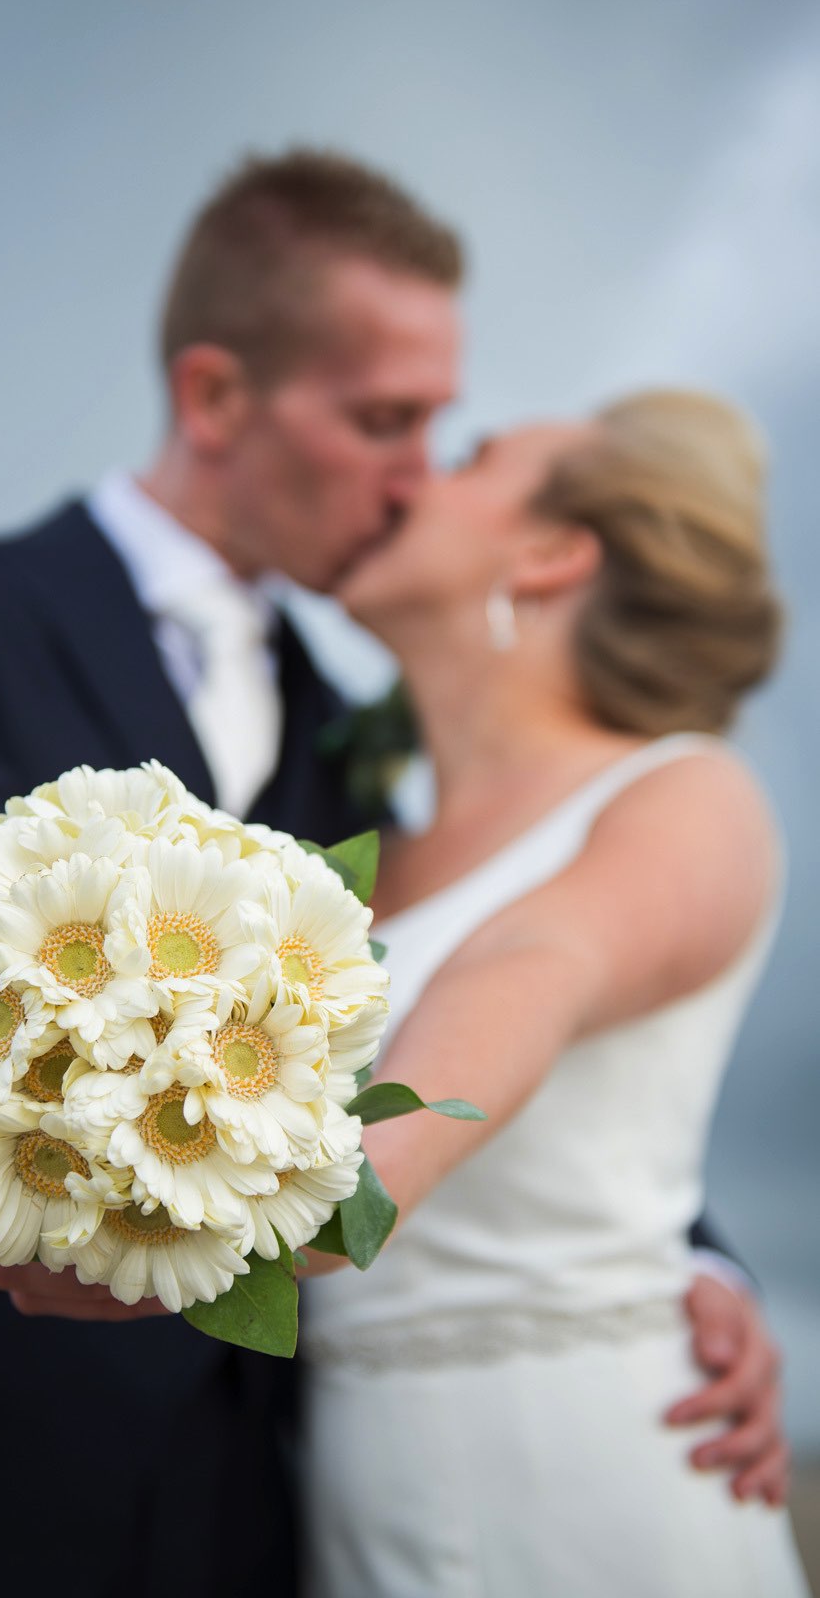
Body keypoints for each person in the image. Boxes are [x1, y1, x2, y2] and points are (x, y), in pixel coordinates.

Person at [0, 150, 786, 1591]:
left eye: (445, 431)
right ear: (218, 396)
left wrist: (694, 1260)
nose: (417, 471)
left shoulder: (353, 760)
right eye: (386, 420)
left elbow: (499, 1010)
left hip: (247, 1517)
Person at [298, 390, 810, 1594]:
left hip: (589, 1495)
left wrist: (201, 1228)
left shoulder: (683, 799)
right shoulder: (350, 847)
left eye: (474, 457)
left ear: (551, 551)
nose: (412, 474)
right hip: (348, 1509)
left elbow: (524, 974)